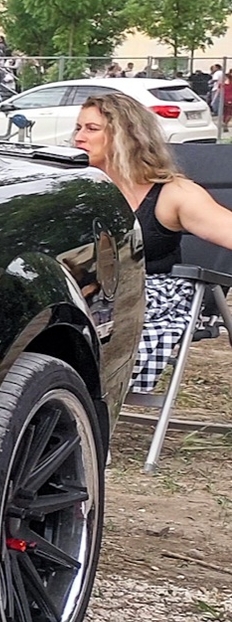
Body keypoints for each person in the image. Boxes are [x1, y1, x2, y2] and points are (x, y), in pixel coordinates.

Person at [73, 91, 232, 407]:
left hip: (147, 298)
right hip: (84, 294)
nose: (79, 137)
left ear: (126, 135)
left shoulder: (173, 194)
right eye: (78, 128)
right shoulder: (78, 186)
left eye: (91, 129)